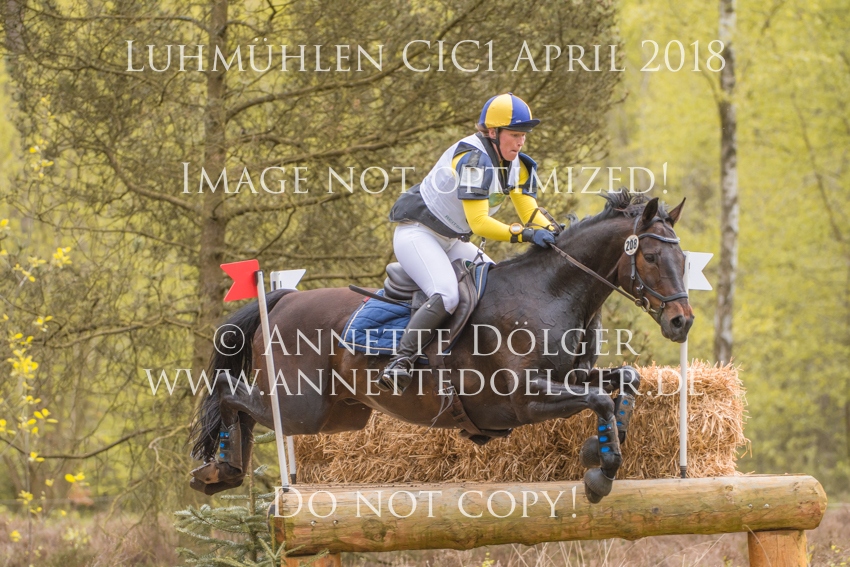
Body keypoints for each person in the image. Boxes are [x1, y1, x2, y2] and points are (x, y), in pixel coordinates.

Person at [378, 93, 557, 393]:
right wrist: (525, 235)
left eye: (524, 135)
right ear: (493, 132)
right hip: (417, 234)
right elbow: (480, 224)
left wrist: (555, 232)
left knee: (497, 286)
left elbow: (530, 212)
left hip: (451, 240)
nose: (521, 142)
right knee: (447, 295)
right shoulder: (473, 160)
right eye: (514, 134)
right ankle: (401, 360)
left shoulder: (519, 165)